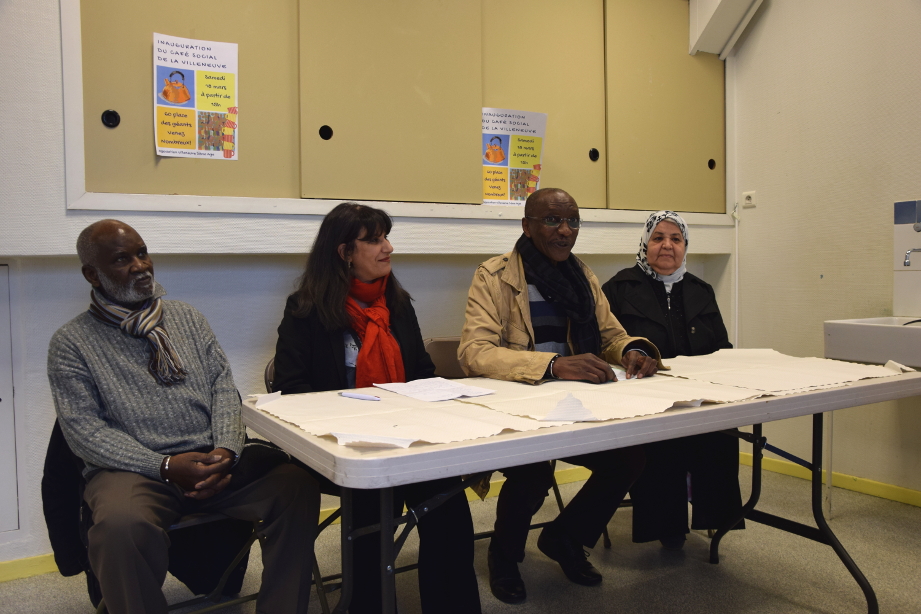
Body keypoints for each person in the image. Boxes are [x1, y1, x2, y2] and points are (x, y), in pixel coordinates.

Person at [47, 219, 319, 614]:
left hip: (211, 459)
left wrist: (227, 448)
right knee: (120, 527)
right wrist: (165, 466)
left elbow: (223, 388)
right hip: (133, 470)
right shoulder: (71, 343)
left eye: (142, 253)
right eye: (122, 259)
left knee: (296, 487)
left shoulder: (187, 318)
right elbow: (84, 432)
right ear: (92, 273)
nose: (140, 266)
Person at [273, 202, 481, 614]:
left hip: (409, 439)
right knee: (369, 511)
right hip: (346, 447)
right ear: (344, 252)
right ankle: (364, 603)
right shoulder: (306, 310)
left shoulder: (397, 304)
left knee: (450, 506)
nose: (387, 247)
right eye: (374, 240)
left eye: (386, 237)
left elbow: (420, 372)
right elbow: (291, 390)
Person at [458, 188, 663, 605]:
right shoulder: (494, 276)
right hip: (522, 408)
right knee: (533, 471)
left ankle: (564, 538)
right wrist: (551, 365)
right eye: (552, 221)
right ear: (527, 226)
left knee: (629, 456)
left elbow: (611, 335)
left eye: (572, 221)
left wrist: (632, 351)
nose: (564, 230)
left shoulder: (582, 275)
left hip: (579, 406)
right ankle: (504, 555)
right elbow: (473, 353)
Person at [601, 210, 743, 550]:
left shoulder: (701, 290)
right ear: (645, 244)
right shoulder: (618, 289)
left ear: (685, 246)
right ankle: (667, 527)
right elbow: (605, 344)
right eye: (658, 238)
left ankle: (716, 520)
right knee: (661, 443)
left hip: (700, 394)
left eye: (676, 239)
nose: (667, 246)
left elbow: (722, 346)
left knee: (722, 431)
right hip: (646, 397)